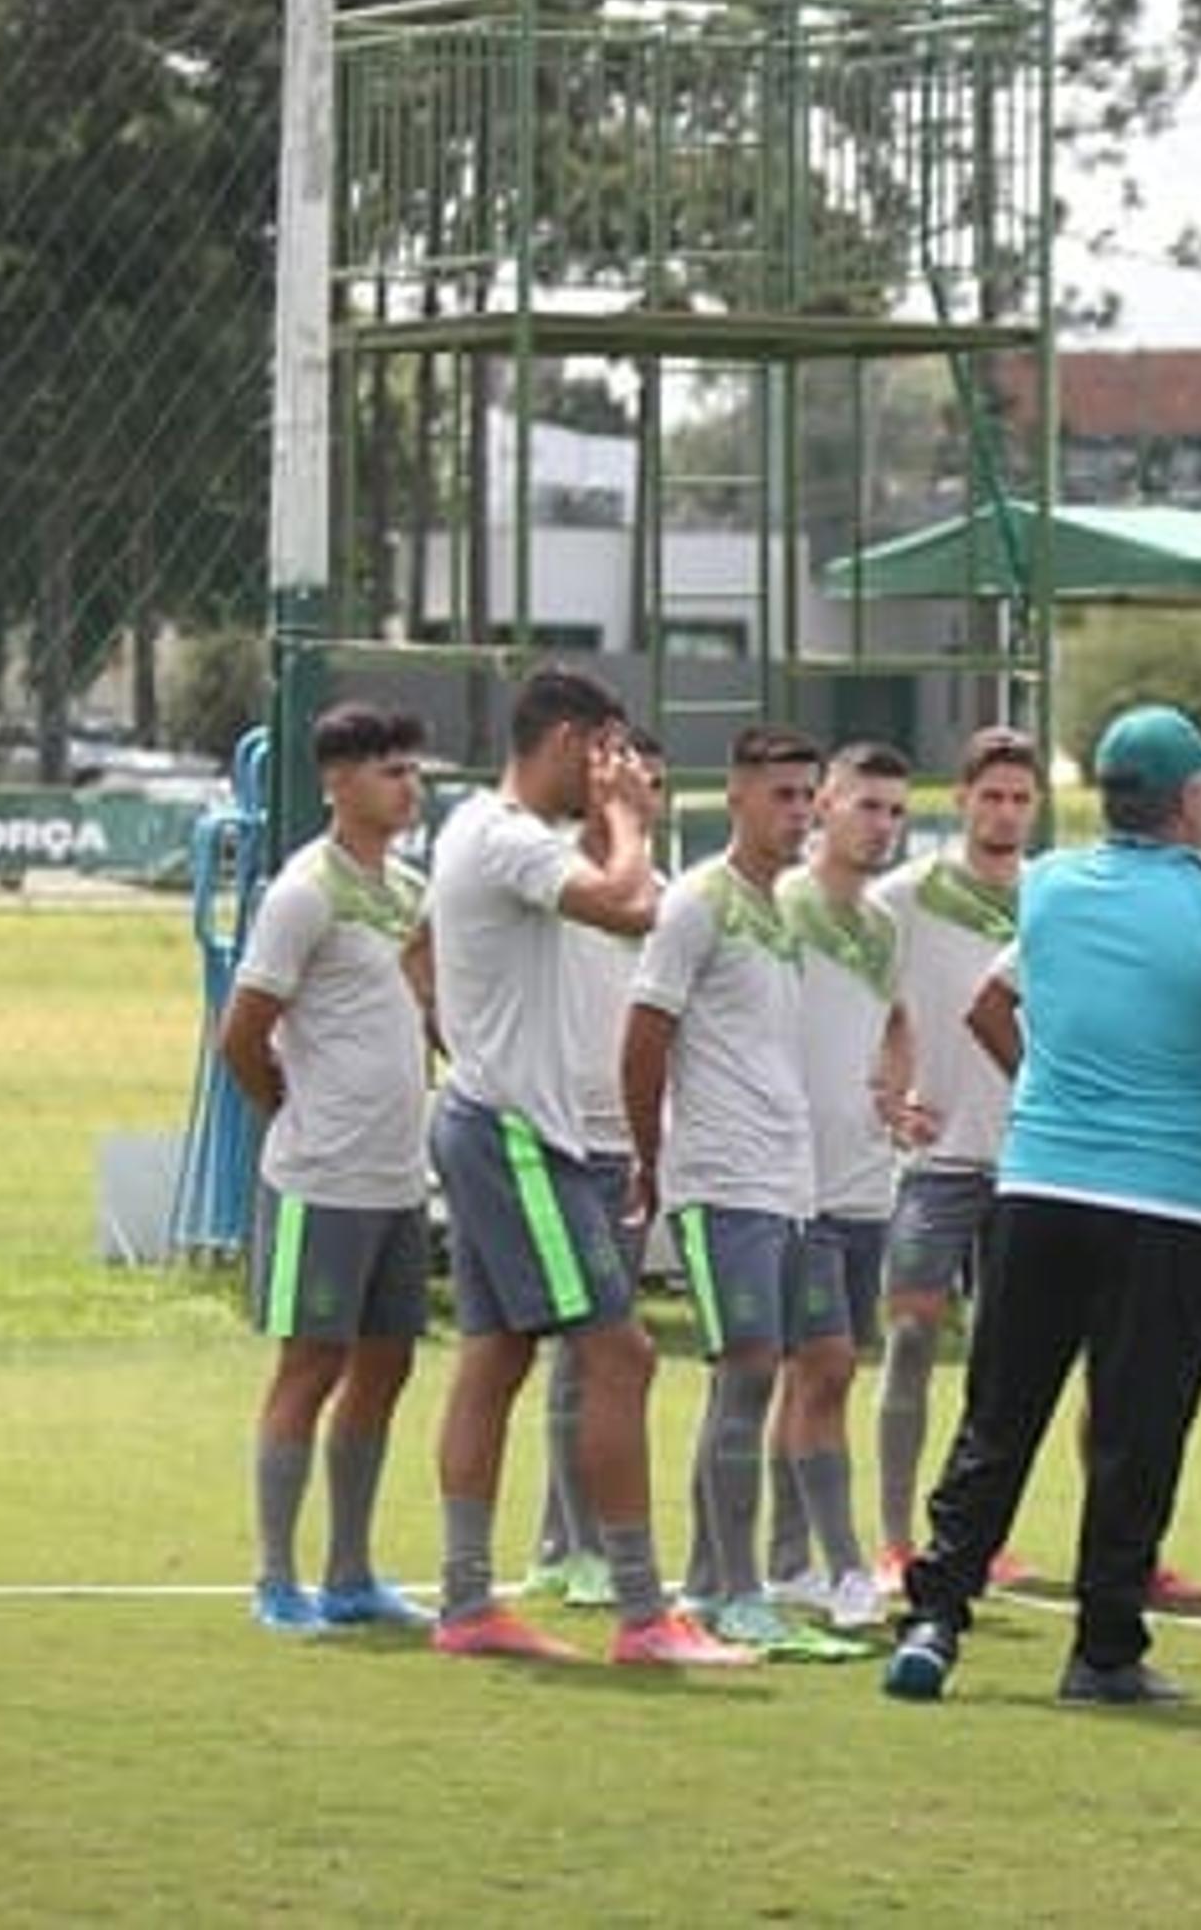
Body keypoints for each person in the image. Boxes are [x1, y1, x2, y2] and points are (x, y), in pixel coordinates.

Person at [885, 704, 1201, 1709]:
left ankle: (935, 1619)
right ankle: (1104, 1650)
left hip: (1038, 1188)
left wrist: (1052, 1094)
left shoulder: (1052, 886)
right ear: (1188, 801)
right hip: (1163, 1202)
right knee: (1136, 1430)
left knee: (1000, 1414)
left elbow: (991, 1004)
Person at [422, 666, 744, 1666]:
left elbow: (631, 904)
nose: (618, 770)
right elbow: (629, 900)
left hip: (505, 1124)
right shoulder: (503, 835)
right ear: (565, 739)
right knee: (622, 1354)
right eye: (605, 751)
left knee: (496, 1356)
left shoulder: (505, 837)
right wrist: (626, 818)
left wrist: (614, 822)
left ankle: (469, 1602)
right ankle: (645, 1615)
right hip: (518, 1134)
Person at [625, 726, 860, 1662]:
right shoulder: (698, 903)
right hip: (722, 1180)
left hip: (790, 1183)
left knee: (804, 1363)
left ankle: (722, 1580)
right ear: (736, 797)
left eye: (809, 796)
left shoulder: (780, 911)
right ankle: (732, 1593)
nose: (798, 813)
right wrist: (652, 1160)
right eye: (781, 795)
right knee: (747, 1369)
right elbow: (645, 1034)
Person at [220, 701, 438, 1635]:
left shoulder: (408, 890)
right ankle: (277, 1578)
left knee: (385, 1368)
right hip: (324, 1178)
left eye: (413, 770)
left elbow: (430, 1012)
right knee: (310, 1366)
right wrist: (295, 1114)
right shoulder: (302, 890)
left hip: (400, 1178)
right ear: (337, 783)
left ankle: (351, 1573)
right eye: (391, 771)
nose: (410, 786)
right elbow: (242, 1036)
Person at [870, 724, 1038, 1583]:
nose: (1005, 813)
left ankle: (971, 1533)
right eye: (991, 796)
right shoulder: (903, 896)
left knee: (1004, 1362)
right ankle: (895, 1537)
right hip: (936, 1162)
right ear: (962, 800)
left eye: (1019, 798)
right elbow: (864, 1000)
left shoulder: (1054, 898)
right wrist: (884, 1093)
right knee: (909, 1338)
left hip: (1031, 1162)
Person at [765, 740, 914, 1628]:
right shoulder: (780, 907)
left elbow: (897, 1023)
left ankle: (788, 1562)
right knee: (818, 1366)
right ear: (824, 804)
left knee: (823, 1377)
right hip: (792, 1185)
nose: (884, 826)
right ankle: (848, 1567)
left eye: (896, 811)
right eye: (869, 806)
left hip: (865, 1182)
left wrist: (895, 1095)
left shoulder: (884, 928)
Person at [527, 746, 670, 1608]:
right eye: (624, 779)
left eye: (650, 782)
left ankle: (570, 1536)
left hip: (623, 1144)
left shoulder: (661, 885)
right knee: (583, 1347)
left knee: (597, 1349)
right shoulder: (549, 873)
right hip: (559, 1135)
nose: (636, 794)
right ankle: (565, 1542)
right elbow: (429, 958)